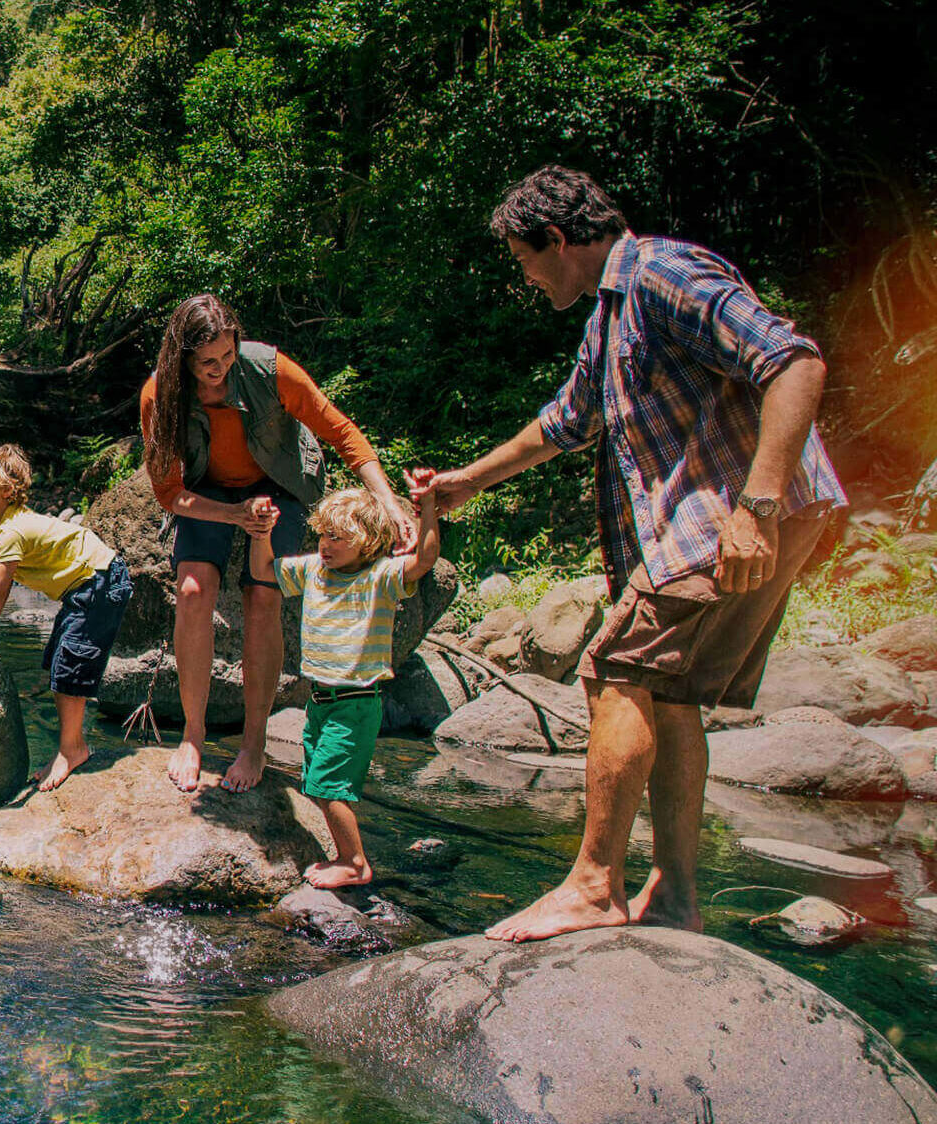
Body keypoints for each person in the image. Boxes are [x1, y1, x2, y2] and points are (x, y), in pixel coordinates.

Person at [423, 165, 844, 943]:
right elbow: (565, 422)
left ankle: (594, 886)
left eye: (524, 259)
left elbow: (795, 362)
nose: (524, 278)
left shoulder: (661, 273)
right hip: (726, 519)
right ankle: (675, 895)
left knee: (615, 669)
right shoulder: (609, 317)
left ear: (557, 238)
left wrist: (755, 506)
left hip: (734, 513)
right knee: (668, 691)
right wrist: (467, 482)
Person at [140, 294, 418, 795]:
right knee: (193, 591)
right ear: (182, 358)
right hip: (208, 491)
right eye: (207, 362)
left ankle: (254, 743)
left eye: (228, 356)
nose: (220, 370)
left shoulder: (272, 370)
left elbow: (342, 432)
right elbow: (168, 493)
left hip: (279, 483)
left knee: (263, 594)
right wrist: (234, 516)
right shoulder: (159, 395)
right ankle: (193, 735)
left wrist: (390, 503)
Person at [245, 481, 442, 886]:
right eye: (323, 534)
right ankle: (344, 852)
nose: (325, 544)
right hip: (320, 701)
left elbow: (425, 559)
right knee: (317, 783)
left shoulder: (381, 576)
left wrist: (428, 510)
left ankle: (354, 863)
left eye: (337, 537)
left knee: (329, 787)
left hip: (355, 703)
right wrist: (261, 535)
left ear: (366, 542)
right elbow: (263, 570)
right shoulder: (313, 570)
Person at [0, 445, 134, 792]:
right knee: (59, 661)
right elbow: (0, 597)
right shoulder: (7, 526)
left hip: (98, 580)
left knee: (71, 664)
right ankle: (69, 746)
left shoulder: (12, 531)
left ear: (7, 491)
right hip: (87, 584)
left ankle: (73, 750)